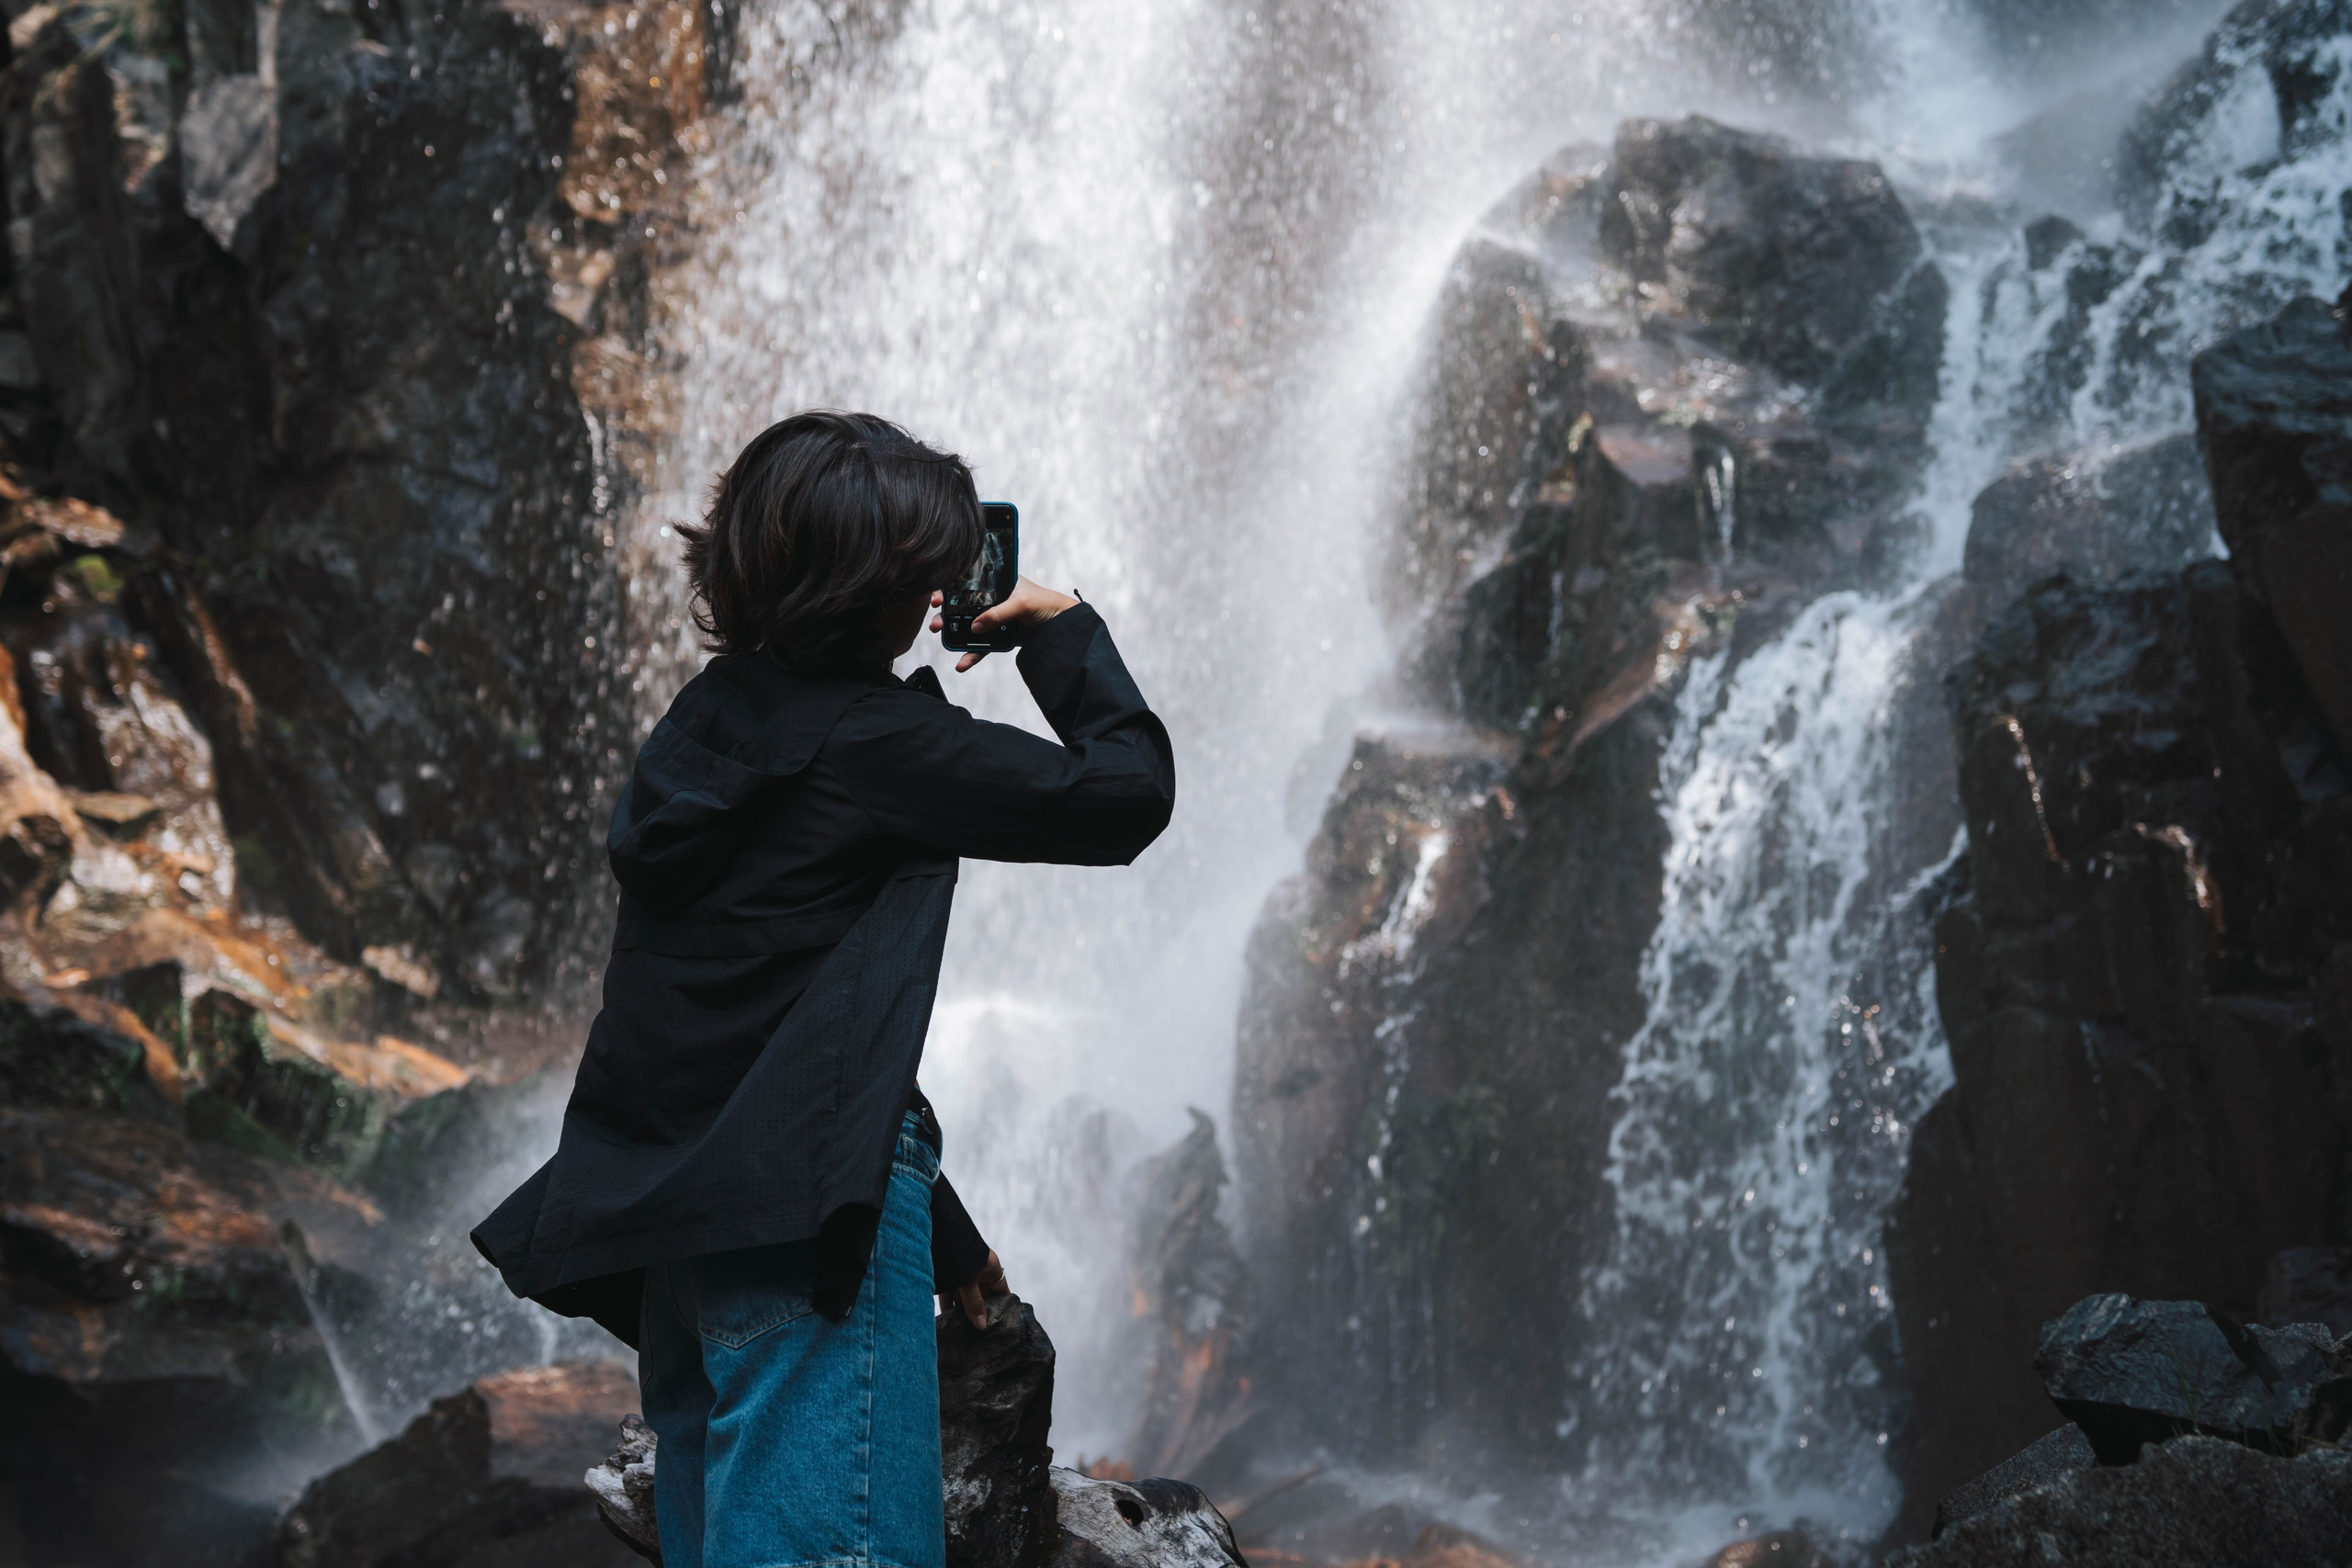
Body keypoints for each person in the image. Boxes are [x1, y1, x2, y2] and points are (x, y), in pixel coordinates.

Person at [471, 411, 1176, 1568]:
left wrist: (944, 1234)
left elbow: (765, 1023)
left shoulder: (700, 727)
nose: (943, 591)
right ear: (884, 589)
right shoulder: (876, 746)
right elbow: (1126, 794)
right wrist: (1061, 630)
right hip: (801, 1240)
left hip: (681, 1242)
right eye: (931, 571)